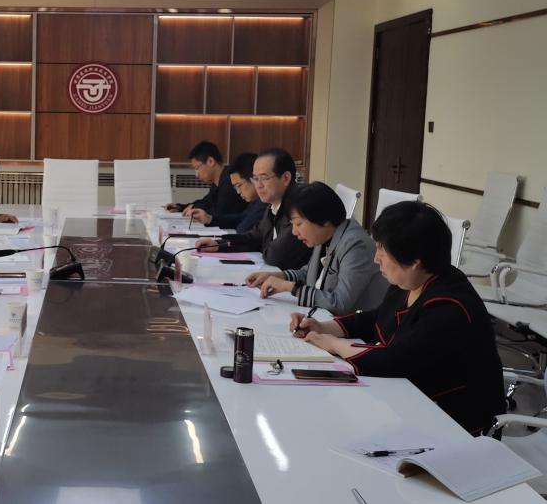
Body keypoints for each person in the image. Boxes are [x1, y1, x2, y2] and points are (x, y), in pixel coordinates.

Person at [289, 202, 505, 434]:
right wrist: (325, 327)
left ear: (414, 261)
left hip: (455, 422)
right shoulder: (411, 281)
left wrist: (335, 345)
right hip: (409, 399)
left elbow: (395, 360)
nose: (376, 258)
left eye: (383, 249)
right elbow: (376, 318)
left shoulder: (449, 306)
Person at [245, 182, 388, 315]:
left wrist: (291, 287)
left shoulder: (355, 245)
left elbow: (340, 303)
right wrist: (279, 277)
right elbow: (309, 273)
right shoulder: (325, 235)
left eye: (298, 224)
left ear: (323, 220)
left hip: (357, 328)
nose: (294, 232)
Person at [195, 148, 311, 269]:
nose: (258, 186)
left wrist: (261, 245)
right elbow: (254, 237)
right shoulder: (273, 205)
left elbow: (276, 256)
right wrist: (218, 244)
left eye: (264, 178)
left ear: (286, 178)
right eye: (255, 179)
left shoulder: (298, 208)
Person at [166, 141, 247, 225]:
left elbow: (218, 212)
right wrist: (181, 207)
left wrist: (193, 208)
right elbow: (206, 202)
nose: (196, 175)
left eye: (197, 168)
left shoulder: (230, 180)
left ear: (210, 161)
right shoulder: (218, 181)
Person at [224, 152, 268, 234]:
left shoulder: (265, 202)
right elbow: (240, 219)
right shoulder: (256, 201)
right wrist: (210, 219)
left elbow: (243, 229)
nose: (238, 192)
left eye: (239, 185)